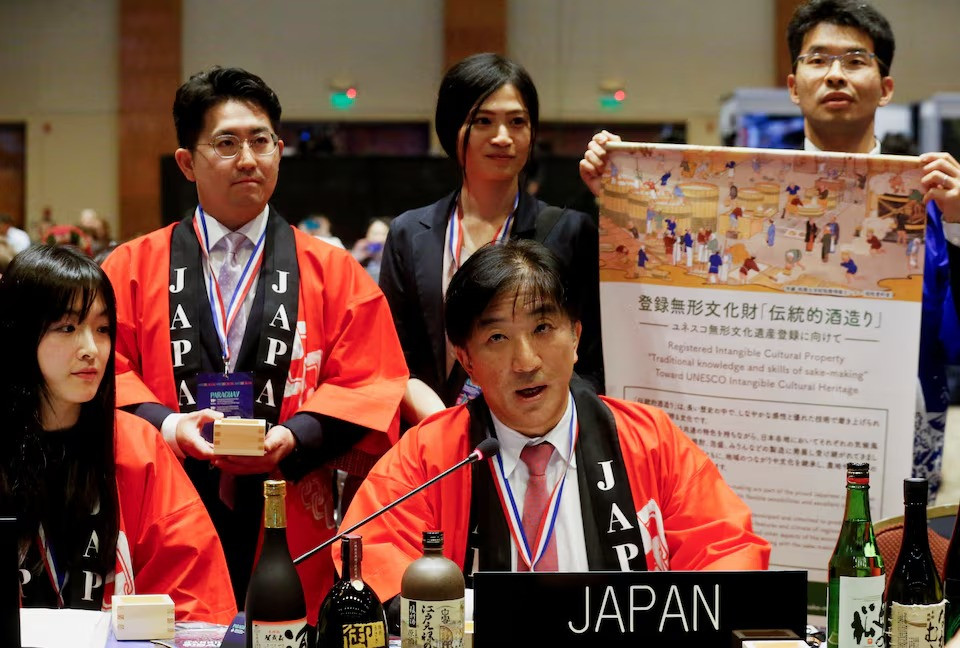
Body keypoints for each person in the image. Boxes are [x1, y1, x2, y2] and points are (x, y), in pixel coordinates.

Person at [578, 0, 960, 495]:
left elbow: (951, 338)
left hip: (885, 444)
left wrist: (956, 221)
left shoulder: (928, 200)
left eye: (856, 60)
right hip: (763, 440)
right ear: (793, 85)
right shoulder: (739, 191)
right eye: (818, 60)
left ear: (885, 88)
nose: (836, 75)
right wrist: (624, 200)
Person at [100, 67, 407, 615]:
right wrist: (170, 427)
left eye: (261, 140)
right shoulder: (131, 266)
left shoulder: (332, 269)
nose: (248, 158)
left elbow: (372, 377)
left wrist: (297, 435)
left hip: (290, 506)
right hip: (166, 505)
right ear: (187, 163)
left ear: (280, 151)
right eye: (226, 142)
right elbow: (100, 369)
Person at [337, 240, 770, 604]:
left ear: (576, 337)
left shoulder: (649, 440)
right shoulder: (430, 455)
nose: (526, 362)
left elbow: (726, 550)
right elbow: (368, 553)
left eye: (543, 328)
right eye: (497, 338)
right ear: (466, 359)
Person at [0, 246, 235, 623]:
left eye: (103, 328)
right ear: (20, 334)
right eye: (68, 328)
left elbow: (194, 599)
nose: (92, 349)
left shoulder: (140, 447)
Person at [379, 53, 603, 426]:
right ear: (452, 129)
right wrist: (444, 426)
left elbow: (592, 359)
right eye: (482, 121)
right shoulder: (409, 233)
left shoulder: (569, 232)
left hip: (539, 438)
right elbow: (391, 355)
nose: (502, 137)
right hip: (433, 437)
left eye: (517, 122)